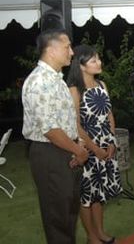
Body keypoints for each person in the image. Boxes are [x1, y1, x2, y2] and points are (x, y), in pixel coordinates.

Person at [22, 29, 89, 244]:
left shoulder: (56, 79)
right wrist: (78, 150)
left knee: (68, 213)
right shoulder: (40, 82)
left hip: (64, 149)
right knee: (57, 218)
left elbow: (65, 122)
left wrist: (77, 146)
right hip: (50, 153)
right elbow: (50, 129)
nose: (71, 52)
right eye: (67, 47)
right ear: (51, 50)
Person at [67, 44, 122, 244]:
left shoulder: (102, 85)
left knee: (100, 194)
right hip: (86, 149)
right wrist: (94, 148)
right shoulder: (74, 90)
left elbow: (109, 115)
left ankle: (100, 233)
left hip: (105, 147)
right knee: (87, 195)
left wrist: (112, 140)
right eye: (94, 60)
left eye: (98, 58)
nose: (99, 62)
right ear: (81, 66)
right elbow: (75, 125)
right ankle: (91, 237)